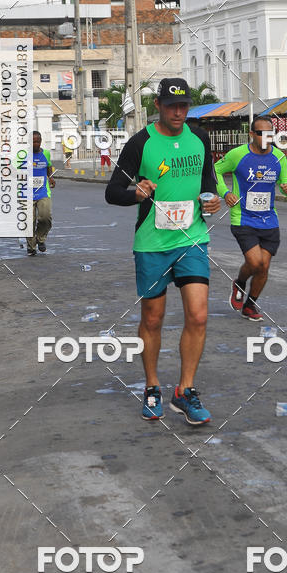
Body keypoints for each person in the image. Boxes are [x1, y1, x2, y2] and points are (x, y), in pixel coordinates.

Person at [105, 77, 221, 426]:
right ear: (158, 106)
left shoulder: (200, 138)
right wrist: (136, 194)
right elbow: (113, 192)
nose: (178, 112)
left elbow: (208, 184)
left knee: (198, 316)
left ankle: (184, 392)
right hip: (152, 244)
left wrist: (212, 201)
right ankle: (152, 386)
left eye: (183, 105)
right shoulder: (141, 143)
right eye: (172, 106)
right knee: (152, 319)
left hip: (193, 240)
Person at [215, 115, 287, 322]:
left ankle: (250, 304)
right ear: (252, 135)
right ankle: (239, 282)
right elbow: (215, 171)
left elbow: (286, 181)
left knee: (264, 267)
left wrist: (286, 188)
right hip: (243, 218)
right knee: (256, 262)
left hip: (269, 220)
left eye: (270, 133)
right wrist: (225, 193)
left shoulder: (279, 157)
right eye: (261, 133)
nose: (266, 137)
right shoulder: (237, 155)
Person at [27, 131, 55, 255]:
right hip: (26, 193)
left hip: (43, 191)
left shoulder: (46, 154)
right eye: (33, 141)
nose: (36, 144)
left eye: (37, 141)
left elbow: (48, 167)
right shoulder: (23, 155)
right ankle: (31, 247)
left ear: (41, 141)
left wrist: (51, 177)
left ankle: (40, 238)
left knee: (45, 217)